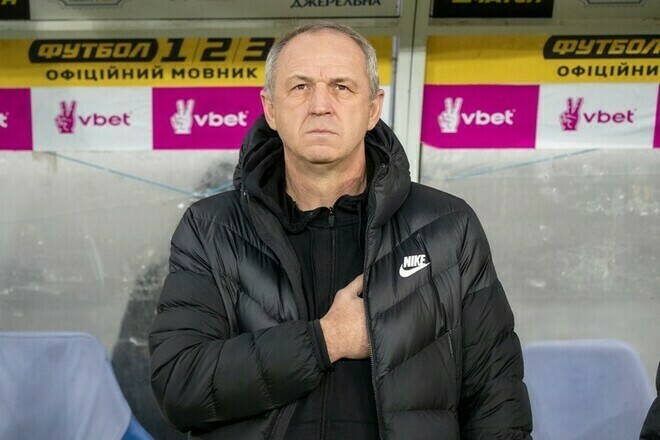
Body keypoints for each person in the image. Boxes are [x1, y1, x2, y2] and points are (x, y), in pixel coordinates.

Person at [149, 21, 532, 439]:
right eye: (300, 87)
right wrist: (326, 340)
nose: (320, 105)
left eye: (341, 87)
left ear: (373, 108)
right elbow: (180, 386)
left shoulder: (446, 226)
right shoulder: (211, 228)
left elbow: (497, 401)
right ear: (270, 109)